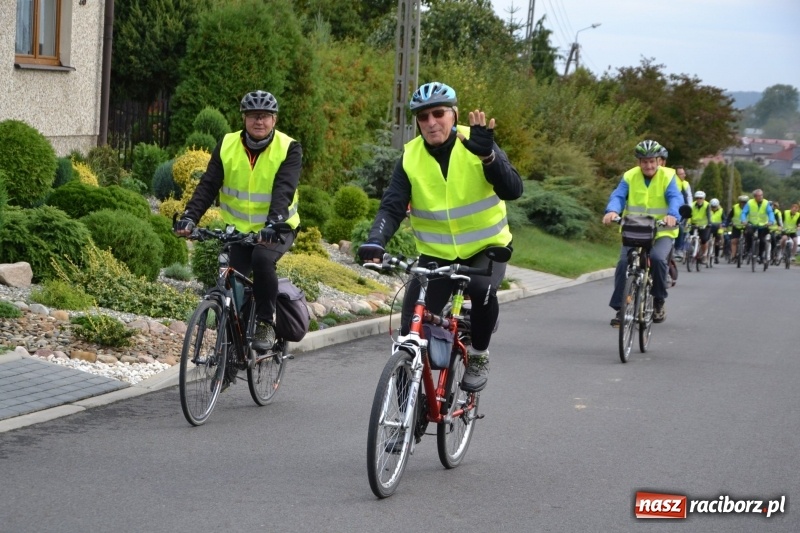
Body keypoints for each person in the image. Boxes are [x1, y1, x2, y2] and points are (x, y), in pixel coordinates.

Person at [357, 81, 523, 393]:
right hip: (436, 255)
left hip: (486, 248)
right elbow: (392, 206)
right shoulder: (410, 157)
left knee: (483, 290)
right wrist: (376, 240)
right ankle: (405, 410)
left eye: (438, 113)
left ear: (454, 113)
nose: (431, 122)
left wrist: (489, 157)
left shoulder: (476, 142)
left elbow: (513, 190)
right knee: (412, 329)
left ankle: (478, 354)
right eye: (422, 117)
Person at [175, 90, 301, 352]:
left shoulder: (288, 148)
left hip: (277, 228)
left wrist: (273, 223)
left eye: (265, 116)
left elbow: (283, 190)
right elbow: (208, 185)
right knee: (234, 283)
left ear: (274, 120)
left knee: (262, 260)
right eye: (253, 116)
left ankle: (266, 321)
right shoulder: (227, 144)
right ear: (243, 118)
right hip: (240, 230)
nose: (259, 121)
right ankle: (231, 353)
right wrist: (189, 217)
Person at [603, 140, 682, 326]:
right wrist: (612, 211)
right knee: (624, 262)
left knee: (657, 259)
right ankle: (620, 308)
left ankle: (658, 301)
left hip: (662, 230)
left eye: (652, 161)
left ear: (658, 161)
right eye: (644, 161)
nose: (649, 165)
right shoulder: (630, 176)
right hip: (635, 229)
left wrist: (672, 214)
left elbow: (675, 198)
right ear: (638, 162)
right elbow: (618, 196)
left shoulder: (668, 176)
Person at [740, 189, 776, 263]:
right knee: (748, 234)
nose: (760, 197)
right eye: (759, 196)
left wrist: (771, 221)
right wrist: (743, 220)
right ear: (755, 197)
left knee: (762, 240)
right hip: (752, 224)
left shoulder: (766, 203)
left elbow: (770, 213)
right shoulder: (750, 203)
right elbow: (744, 212)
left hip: (763, 225)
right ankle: (747, 249)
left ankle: (760, 255)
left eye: (761, 195)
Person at [672, 165, 692, 259]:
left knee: (682, 230)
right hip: (674, 211)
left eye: (684, 173)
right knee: (678, 228)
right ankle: (677, 248)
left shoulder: (686, 184)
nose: (684, 175)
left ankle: (678, 249)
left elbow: (689, 197)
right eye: (681, 174)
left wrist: (689, 210)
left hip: (683, 211)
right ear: (676, 175)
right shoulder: (672, 183)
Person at [688, 191, 712, 264]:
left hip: (704, 225)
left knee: (704, 240)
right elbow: (688, 215)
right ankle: (689, 253)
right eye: (697, 198)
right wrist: (686, 223)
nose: (699, 199)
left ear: (703, 198)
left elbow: (708, 215)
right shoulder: (691, 205)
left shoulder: (707, 205)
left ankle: (704, 255)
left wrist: (709, 223)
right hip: (694, 224)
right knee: (689, 237)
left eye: (701, 198)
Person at [726, 194, 749, 261]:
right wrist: (728, 223)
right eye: (742, 202)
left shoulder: (750, 208)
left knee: (748, 239)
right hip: (736, 226)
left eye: (745, 202)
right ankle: (733, 255)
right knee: (734, 241)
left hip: (746, 226)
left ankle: (746, 251)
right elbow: (729, 217)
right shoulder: (735, 207)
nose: (743, 204)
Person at [708, 198, 724, 263]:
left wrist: (723, 224)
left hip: (718, 228)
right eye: (712, 207)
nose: (713, 208)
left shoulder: (721, 210)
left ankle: (716, 257)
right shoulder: (708, 210)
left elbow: (724, 219)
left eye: (715, 207)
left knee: (717, 242)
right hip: (709, 226)